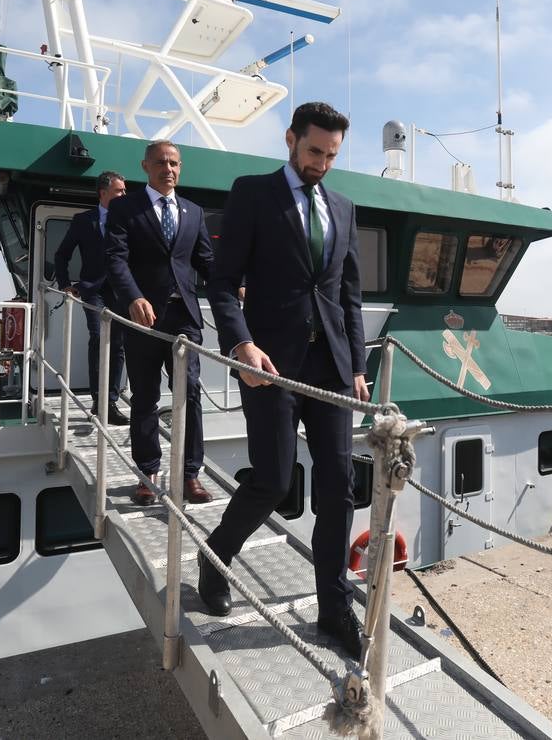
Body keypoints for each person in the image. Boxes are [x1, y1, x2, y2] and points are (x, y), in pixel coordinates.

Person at [197, 102, 368, 658]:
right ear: (291, 139)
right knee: (272, 481)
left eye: (332, 155)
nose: (322, 162)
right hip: (271, 365)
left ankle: (334, 607)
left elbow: (348, 292)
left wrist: (359, 365)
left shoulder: (343, 206)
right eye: (315, 150)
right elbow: (223, 282)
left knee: (339, 486)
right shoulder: (252, 193)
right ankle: (215, 555)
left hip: (334, 370)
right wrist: (241, 343)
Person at [104, 142, 214, 505]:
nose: (168, 169)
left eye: (174, 163)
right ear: (145, 167)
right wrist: (133, 296)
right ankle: (147, 472)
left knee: (191, 392)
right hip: (143, 318)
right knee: (146, 396)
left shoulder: (194, 212)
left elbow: (204, 260)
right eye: (161, 163)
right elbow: (116, 259)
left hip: (184, 314)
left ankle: (189, 474)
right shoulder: (125, 208)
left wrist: (236, 286)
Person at [54, 170, 129, 425]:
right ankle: (99, 402)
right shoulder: (83, 220)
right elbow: (62, 254)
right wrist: (65, 284)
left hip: (121, 290)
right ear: (103, 192)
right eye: (120, 190)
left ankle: (111, 402)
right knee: (99, 338)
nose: (124, 194)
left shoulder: (129, 219)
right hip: (93, 290)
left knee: (118, 344)